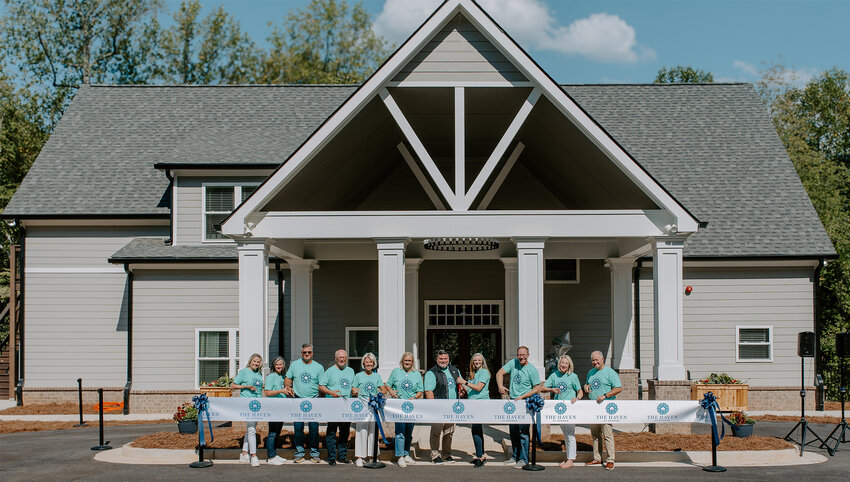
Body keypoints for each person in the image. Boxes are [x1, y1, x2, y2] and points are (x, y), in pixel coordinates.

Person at [495, 346, 541, 469]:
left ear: (528, 355)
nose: (521, 357)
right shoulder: (513, 363)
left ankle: (524, 459)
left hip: (525, 403)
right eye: (519, 355)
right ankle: (515, 456)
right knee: (513, 431)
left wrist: (523, 396)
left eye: (524, 355)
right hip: (513, 402)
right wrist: (500, 386)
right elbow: (499, 373)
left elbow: (537, 387)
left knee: (524, 432)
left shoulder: (531, 370)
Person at [424, 349, 466, 464]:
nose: (443, 361)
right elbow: (428, 391)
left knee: (449, 432)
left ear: (449, 359)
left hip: (452, 407)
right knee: (436, 432)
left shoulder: (454, 370)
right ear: (436, 359)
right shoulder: (431, 373)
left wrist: (461, 391)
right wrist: (433, 407)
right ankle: (435, 455)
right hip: (438, 407)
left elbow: (460, 383)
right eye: (441, 359)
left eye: (445, 359)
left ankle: (446, 455)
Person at [285, 343, 325, 463]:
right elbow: (288, 379)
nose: (307, 354)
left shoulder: (319, 367)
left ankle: (314, 453)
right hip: (298, 399)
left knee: (314, 428)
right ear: (301, 353)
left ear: (312, 353)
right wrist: (288, 387)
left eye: (309, 352)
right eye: (304, 352)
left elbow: (321, 384)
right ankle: (299, 453)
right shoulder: (294, 365)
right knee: (298, 428)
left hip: (314, 399)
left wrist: (322, 398)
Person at [541, 354, 583, 468]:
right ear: (559, 364)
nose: (563, 365)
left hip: (570, 409)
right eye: (562, 363)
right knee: (566, 434)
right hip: (559, 410)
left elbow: (580, 391)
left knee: (570, 434)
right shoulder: (554, 375)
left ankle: (571, 460)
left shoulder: (573, 376)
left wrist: (577, 398)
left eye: (566, 363)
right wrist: (551, 389)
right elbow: (543, 388)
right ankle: (569, 457)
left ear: (569, 365)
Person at [583, 350, 622, 471]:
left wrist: (605, 395)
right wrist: (585, 387)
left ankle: (610, 460)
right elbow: (587, 384)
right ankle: (597, 458)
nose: (595, 362)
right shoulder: (591, 372)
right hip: (593, 407)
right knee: (595, 435)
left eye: (596, 360)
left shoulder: (610, 372)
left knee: (607, 434)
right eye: (593, 360)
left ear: (602, 359)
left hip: (606, 408)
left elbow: (618, 388)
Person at [385, 351, 423, 468]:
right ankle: (400, 456)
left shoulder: (416, 374)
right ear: (402, 361)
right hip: (398, 406)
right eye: (406, 360)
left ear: (412, 363)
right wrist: (391, 392)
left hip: (411, 407)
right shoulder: (396, 372)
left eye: (410, 361)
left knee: (409, 431)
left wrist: (415, 397)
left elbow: (420, 390)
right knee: (400, 431)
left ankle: (406, 453)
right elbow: (388, 385)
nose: (407, 362)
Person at [319, 349, 356, 466]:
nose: (342, 359)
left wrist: (354, 391)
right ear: (335, 359)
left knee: (344, 432)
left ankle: (342, 456)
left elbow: (353, 387)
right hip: (333, 406)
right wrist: (331, 392)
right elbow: (321, 386)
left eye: (344, 357)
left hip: (346, 405)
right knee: (331, 432)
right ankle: (331, 457)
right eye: (339, 357)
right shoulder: (329, 371)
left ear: (346, 359)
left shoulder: (351, 371)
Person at [351, 352, 385, 467]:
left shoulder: (377, 376)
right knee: (361, 430)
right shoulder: (358, 375)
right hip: (362, 406)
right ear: (363, 363)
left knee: (373, 431)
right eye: (367, 362)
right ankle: (360, 457)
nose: (369, 364)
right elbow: (353, 389)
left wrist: (381, 393)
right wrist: (354, 391)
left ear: (374, 363)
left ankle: (372, 456)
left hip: (374, 407)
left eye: (371, 362)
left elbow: (383, 389)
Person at [231, 353, 264, 467]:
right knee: (251, 430)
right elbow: (233, 385)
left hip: (257, 403)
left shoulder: (259, 373)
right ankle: (253, 456)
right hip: (247, 403)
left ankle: (244, 454)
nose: (256, 363)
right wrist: (247, 387)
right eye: (254, 361)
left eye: (258, 362)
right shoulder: (244, 372)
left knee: (251, 428)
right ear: (250, 361)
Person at [264, 356, 294, 465]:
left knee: (277, 431)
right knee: (272, 432)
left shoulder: (283, 377)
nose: (279, 366)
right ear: (273, 366)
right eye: (277, 364)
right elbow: (267, 392)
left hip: (282, 407)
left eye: (280, 364)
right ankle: (270, 457)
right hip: (273, 407)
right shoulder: (271, 376)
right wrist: (281, 390)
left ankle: (274, 454)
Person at [463, 352, 490, 468]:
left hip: (481, 404)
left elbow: (479, 388)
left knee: (476, 429)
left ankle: (479, 457)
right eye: (475, 360)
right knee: (477, 430)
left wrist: (464, 382)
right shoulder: (475, 373)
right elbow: (471, 390)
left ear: (483, 361)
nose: (477, 362)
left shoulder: (484, 372)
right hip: (473, 403)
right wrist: (462, 385)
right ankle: (481, 455)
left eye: (479, 360)